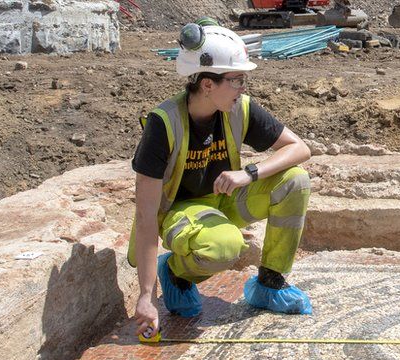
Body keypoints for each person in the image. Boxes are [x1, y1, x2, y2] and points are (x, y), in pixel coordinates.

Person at [131, 20, 313, 339]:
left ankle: (270, 284)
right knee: (225, 245)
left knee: (295, 181)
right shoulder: (164, 124)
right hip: (181, 212)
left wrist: (249, 173)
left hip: (223, 200)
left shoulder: (236, 107)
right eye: (236, 80)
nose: (243, 87)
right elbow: (146, 216)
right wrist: (146, 296)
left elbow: (300, 148)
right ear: (207, 85)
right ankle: (176, 274)